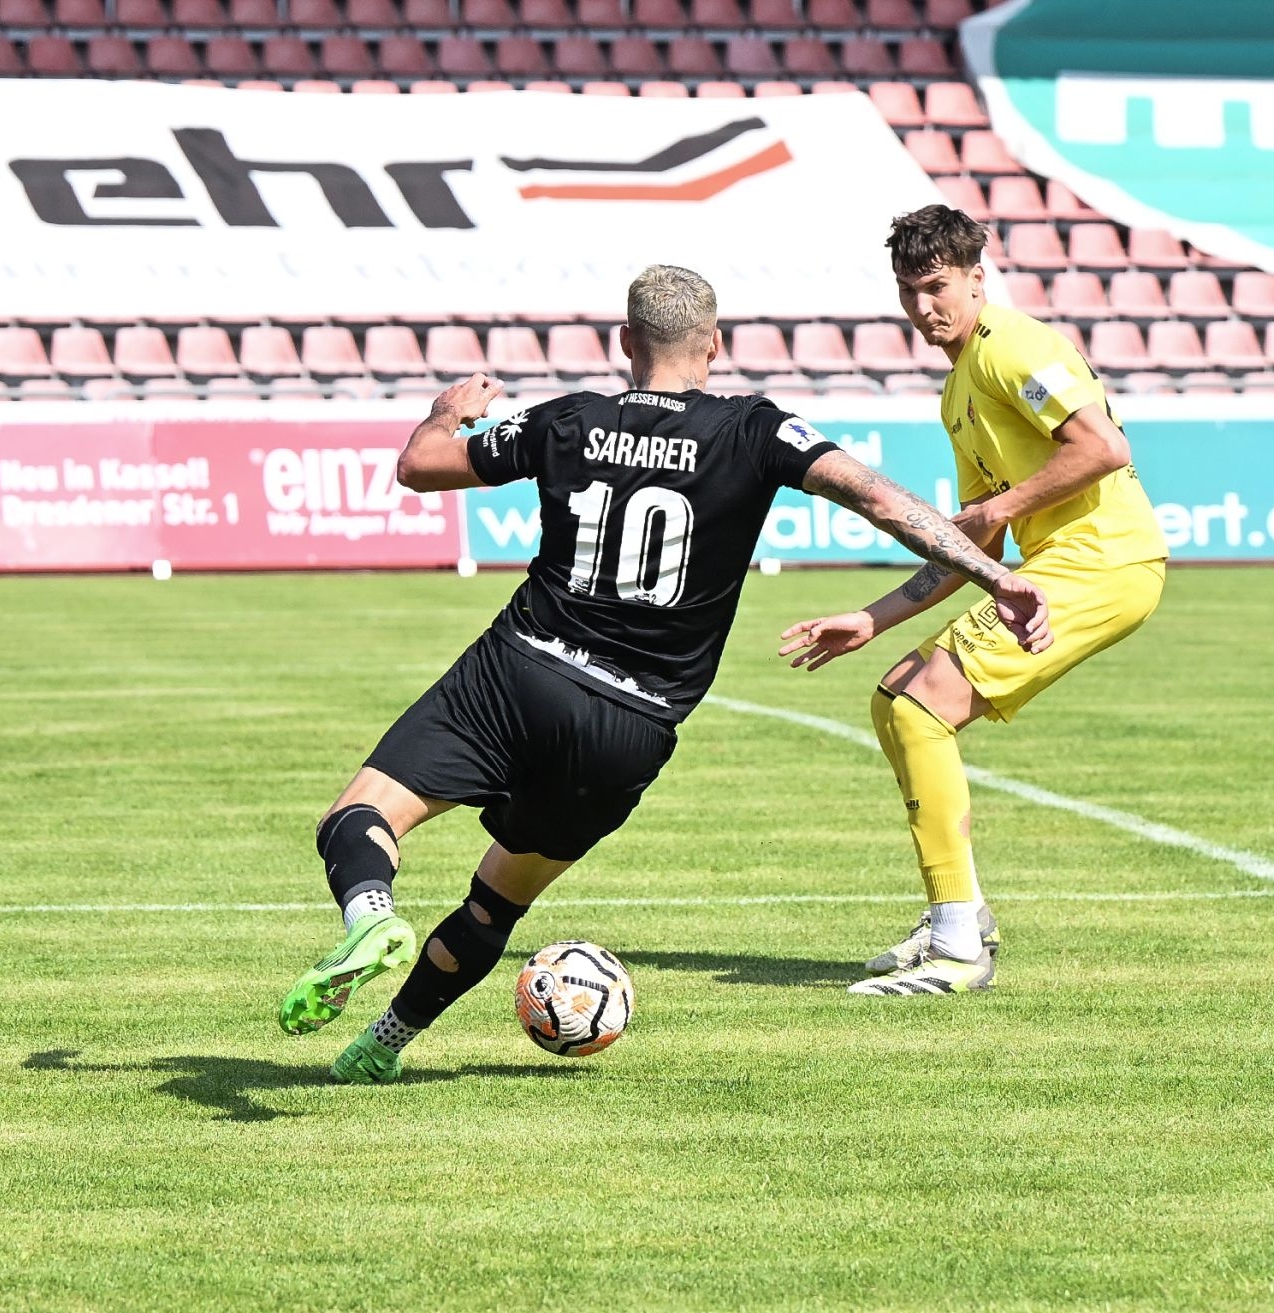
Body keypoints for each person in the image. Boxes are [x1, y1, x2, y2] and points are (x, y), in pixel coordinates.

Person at [277, 264, 1052, 1084]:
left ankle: (371, 913)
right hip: (630, 725)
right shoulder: (757, 429)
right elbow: (882, 500)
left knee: (360, 814)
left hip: (521, 669)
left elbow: (421, 465)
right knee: (495, 901)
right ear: (714, 345)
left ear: (625, 341)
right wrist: (992, 573)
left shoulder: (570, 418)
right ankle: (382, 1043)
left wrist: (447, 413)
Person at [778, 205, 1168, 997]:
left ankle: (959, 945)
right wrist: (872, 617)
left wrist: (1001, 505)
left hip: (1104, 561)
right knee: (896, 698)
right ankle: (960, 917)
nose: (924, 307)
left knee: (921, 706)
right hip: (1066, 562)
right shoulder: (959, 387)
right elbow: (975, 541)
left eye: (937, 286)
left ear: (976, 278)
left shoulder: (1012, 345)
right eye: (909, 291)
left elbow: (1102, 447)